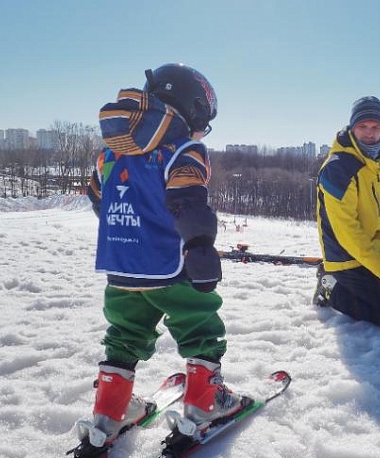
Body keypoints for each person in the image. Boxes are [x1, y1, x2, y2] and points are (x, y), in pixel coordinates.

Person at [72, 63, 244, 456]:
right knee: (200, 327)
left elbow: (100, 197)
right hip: (172, 269)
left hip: (121, 268)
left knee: (124, 335)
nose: (203, 131)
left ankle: (109, 413)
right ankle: (204, 404)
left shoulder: (111, 152)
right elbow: (187, 201)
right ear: (194, 109)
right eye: (205, 121)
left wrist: (133, 230)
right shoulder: (184, 150)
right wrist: (200, 246)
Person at [313, 96, 380, 329]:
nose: (369, 133)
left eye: (375, 127)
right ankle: (330, 288)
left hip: (372, 251)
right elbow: (349, 234)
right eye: (363, 126)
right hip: (346, 260)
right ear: (353, 127)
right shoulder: (338, 168)